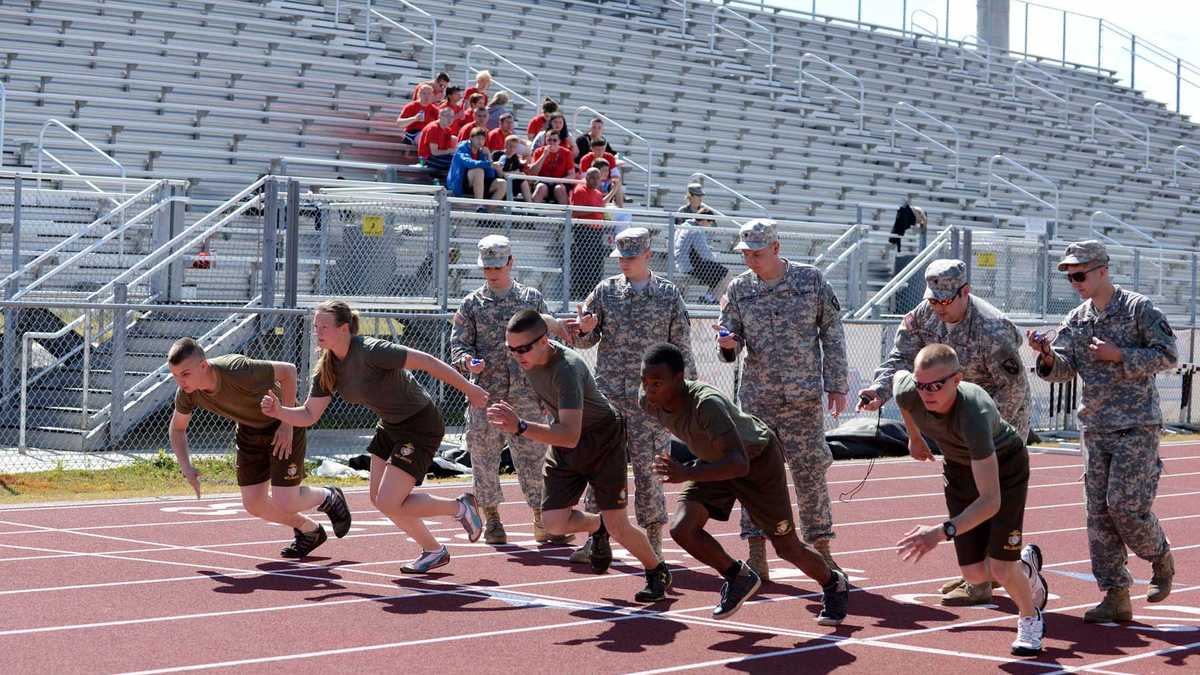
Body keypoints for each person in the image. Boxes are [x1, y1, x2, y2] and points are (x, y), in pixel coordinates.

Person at [260, 300, 492, 574]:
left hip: (419, 423)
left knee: (389, 501)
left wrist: (469, 389)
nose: (317, 332)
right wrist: (279, 412)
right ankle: (433, 550)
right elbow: (310, 414)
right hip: (390, 425)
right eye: (315, 326)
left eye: (324, 326)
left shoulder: (371, 350)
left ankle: (460, 508)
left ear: (344, 328)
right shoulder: (327, 368)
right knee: (378, 499)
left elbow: (427, 362)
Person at [858, 258, 1033, 605]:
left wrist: (980, 435)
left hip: (995, 419)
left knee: (990, 500)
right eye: (932, 299)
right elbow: (898, 362)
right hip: (952, 417)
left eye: (945, 300)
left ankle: (1008, 567)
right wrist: (877, 393)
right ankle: (978, 580)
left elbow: (1010, 392)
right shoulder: (922, 315)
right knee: (963, 494)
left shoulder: (991, 329)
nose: (937, 307)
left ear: (964, 293)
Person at [640, 343, 850, 623]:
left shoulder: (706, 404)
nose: (649, 389)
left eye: (657, 383)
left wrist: (686, 472)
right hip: (713, 464)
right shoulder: (648, 402)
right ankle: (737, 576)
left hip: (756, 461)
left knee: (786, 547)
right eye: (644, 381)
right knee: (682, 529)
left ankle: (833, 583)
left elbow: (740, 464)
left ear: (679, 380)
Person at [1029, 240, 1177, 623]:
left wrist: (1121, 355)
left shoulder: (1138, 309)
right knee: (1098, 516)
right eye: (1070, 276)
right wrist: (1045, 356)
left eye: (1080, 274)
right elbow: (1063, 369)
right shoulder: (1077, 320)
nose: (1074, 282)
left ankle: (1160, 558)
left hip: (1136, 425)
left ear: (1102, 271)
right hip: (1095, 428)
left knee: (1125, 508)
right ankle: (1115, 595)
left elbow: (1168, 355)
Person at [486, 310, 671, 602]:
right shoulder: (534, 345)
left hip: (601, 439)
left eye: (523, 349)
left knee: (619, 525)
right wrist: (560, 325)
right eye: (511, 349)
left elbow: (570, 435)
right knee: (553, 524)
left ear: (543, 342)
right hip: (565, 438)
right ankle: (597, 526)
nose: (517, 355)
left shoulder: (567, 370)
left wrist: (519, 426)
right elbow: (540, 320)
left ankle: (656, 569)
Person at [895, 344, 1048, 656]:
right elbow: (901, 391)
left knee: (1002, 570)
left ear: (957, 379)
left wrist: (939, 533)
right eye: (922, 384)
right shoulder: (909, 390)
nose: (927, 393)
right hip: (958, 466)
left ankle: (1030, 619)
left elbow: (990, 501)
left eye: (937, 385)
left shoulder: (973, 414)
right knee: (976, 575)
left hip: (1003, 465)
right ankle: (1026, 568)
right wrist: (914, 437)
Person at [716, 218, 848, 580]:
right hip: (758, 399)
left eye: (757, 253)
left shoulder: (810, 281)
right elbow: (731, 339)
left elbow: (832, 332)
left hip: (802, 398)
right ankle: (757, 554)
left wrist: (836, 384)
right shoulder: (740, 289)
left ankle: (821, 551)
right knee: (754, 476)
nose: (751, 260)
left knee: (810, 474)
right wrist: (728, 345)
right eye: (745, 254)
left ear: (776, 248)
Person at [562, 228, 696, 561]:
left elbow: (682, 347)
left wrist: (687, 394)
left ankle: (653, 542)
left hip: (650, 400)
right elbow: (582, 341)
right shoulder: (605, 292)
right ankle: (598, 539)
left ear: (648, 255)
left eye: (631, 257)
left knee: (651, 470)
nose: (624, 263)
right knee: (601, 469)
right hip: (608, 397)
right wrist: (583, 330)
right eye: (620, 257)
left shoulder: (667, 295)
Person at [167, 339, 352, 558]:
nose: (180, 381)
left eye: (185, 374)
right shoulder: (187, 393)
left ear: (203, 366)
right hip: (249, 432)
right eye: (175, 375)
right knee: (254, 504)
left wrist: (286, 422)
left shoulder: (237, 369)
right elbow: (177, 429)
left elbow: (288, 372)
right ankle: (309, 530)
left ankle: (329, 496)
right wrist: (186, 467)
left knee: (286, 500)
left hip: (281, 422)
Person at [451, 236, 571, 545]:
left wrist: (550, 390)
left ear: (510, 263)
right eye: (486, 266)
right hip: (486, 395)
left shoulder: (531, 299)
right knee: (483, 457)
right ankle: (492, 519)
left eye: (496, 265)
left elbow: (549, 344)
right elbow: (458, 345)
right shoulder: (471, 304)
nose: (491, 272)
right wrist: (468, 362)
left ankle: (541, 518)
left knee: (534, 457)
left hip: (528, 395)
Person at [674, 216, 729, 304]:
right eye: (709, 223)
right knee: (727, 274)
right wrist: (715, 256)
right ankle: (709, 300)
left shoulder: (684, 226)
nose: (709, 226)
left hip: (681, 264)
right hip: (691, 266)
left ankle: (709, 298)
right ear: (704, 220)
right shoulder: (696, 230)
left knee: (717, 273)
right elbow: (705, 255)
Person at [446, 128, 506, 206]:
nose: (480, 141)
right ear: (471, 138)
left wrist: (488, 156)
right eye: (478, 138)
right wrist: (488, 164)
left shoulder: (482, 152)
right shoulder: (462, 147)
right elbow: (468, 162)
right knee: (478, 171)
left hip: (478, 185)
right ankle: (479, 205)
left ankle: (485, 213)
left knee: (502, 183)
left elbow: (490, 175)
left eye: (483, 139)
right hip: (459, 184)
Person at [527, 133, 576, 204]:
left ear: (559, 141)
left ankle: (567, 213)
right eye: (549, 140)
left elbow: (572, 175)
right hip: (543, 182)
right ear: (546, 140)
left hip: (560, 182)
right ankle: (531, 212)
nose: (551, 142)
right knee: (541, 187)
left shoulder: (567, 153)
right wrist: (544, 155)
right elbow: (533, 172)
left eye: (554, 140)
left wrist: (561, 180)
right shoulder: (539, 151)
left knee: (559, 188)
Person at [417, 106, 457, 176]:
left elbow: (446, 150)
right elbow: (434, 152)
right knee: (455, 162)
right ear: (440, 116)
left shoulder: (448, 130)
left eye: (452, 117)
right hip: (426, 159)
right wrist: (450, 151)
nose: (450, 119)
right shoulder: (433, 128)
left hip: (439, 157)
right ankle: (451, 185)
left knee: (459, 160)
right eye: (447, 116)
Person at [493, 134, 533, 202]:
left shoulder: (515, 157)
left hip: (510, 182)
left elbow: (519, 172)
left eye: (514, 147)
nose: (512, 149)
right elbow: (499, 173)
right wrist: (513, 173)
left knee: (523, 181)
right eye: (510, 146)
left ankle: (530, 206)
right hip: (499, 183)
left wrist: (514, 173)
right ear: (505, 145)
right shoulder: (497, 154)